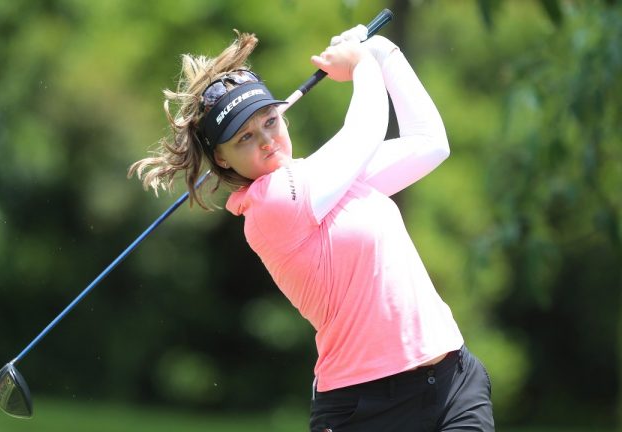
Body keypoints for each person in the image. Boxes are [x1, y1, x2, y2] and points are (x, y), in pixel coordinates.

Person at [129, 28, 494, 432]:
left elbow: (429, 142)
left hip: (453, 379)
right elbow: (367, 129)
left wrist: (383, 51)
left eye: (270, 121)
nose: (267, 140)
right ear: (222, 158)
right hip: (366, 407)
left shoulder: (330, 178)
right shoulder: (269, 205)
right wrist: (359, 62)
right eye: (245, 137)